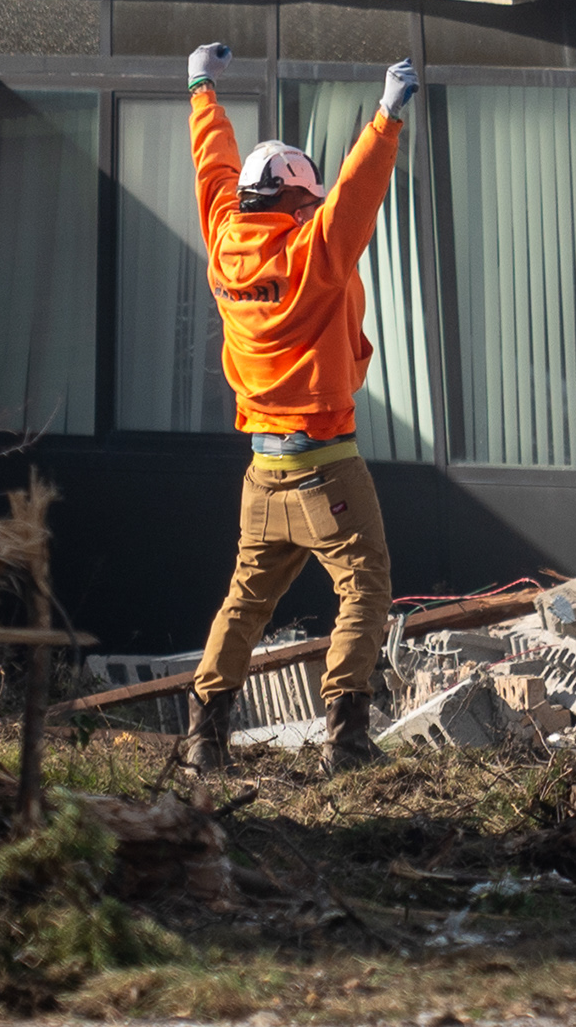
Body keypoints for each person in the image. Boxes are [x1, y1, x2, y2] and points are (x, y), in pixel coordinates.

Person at [179, 41, 420, 775]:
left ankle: (202, 741)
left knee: (244, 604)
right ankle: (347, 740)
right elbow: (356, 195)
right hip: (327, 470)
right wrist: (385, 118)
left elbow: (212, 167)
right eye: (307, 201)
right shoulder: (314, 253)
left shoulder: (225, 240)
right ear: (294, 200)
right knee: (366, 587)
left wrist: (200, 88)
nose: (315, 208)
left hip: (263, 474)